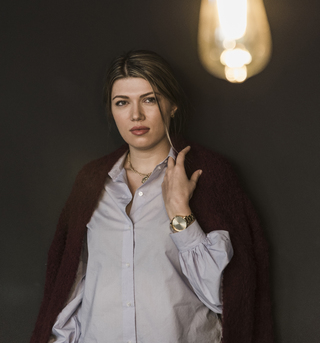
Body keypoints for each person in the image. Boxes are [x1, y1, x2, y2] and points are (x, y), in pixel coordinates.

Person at [30, 50, 274, 343]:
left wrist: (180, 212)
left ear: (173, 105)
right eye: (122, 103)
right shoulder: (91, 181)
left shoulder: (211, 174)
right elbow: (70, 289)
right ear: (112, 111)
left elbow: (230, 297)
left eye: (149, 99)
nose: (136, 115)